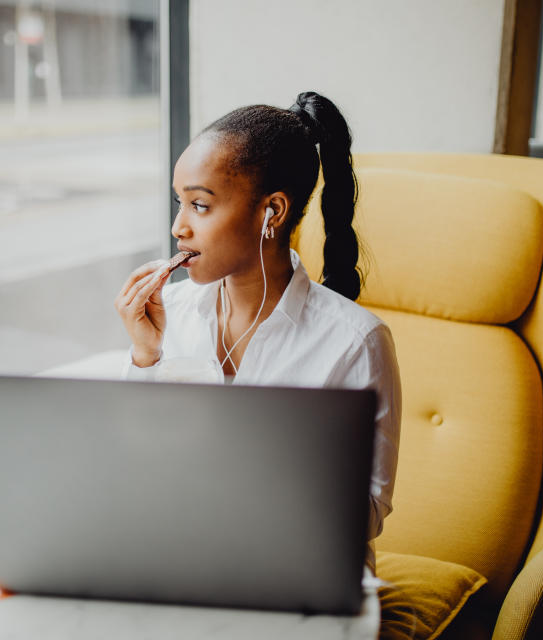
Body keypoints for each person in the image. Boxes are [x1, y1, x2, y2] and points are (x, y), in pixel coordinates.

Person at [114, 91, 401, 571]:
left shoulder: (355, 342)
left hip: (300, 568)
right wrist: (146, 358)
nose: (177, 227)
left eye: (200, 206)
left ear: (272, 212)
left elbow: (368, 512)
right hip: (194, 552)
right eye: (179, 203)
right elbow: (134, 464)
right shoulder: (174, 312)